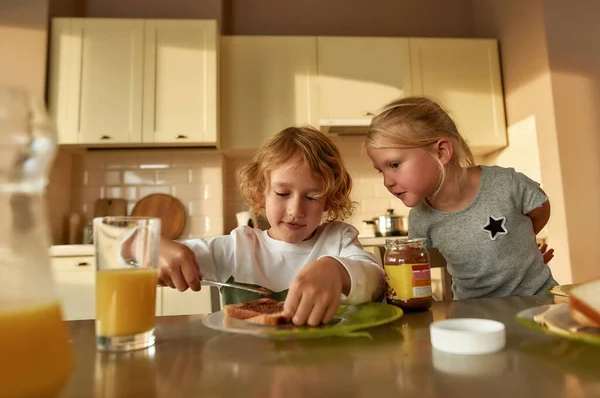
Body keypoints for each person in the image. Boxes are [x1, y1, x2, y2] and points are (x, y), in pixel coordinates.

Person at [156, 126, 385, 326]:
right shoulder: (237, 248)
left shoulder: (338, 240)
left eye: (313, 196)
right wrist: (156, 249)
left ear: (329, 201)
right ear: (260, 194)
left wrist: (338, 271)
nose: (296, 210)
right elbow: (127, 254)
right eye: (283, 193)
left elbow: (376, 280)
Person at [364, 96, 557, 300]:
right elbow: (417, 272)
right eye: (381, 171)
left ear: (441, 152)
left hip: (537, 302)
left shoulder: (507, 183)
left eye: (394, 165)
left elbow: (541, 209)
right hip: (473, 314)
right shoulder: (420, 218)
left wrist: (522, 246)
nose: (387, 182)